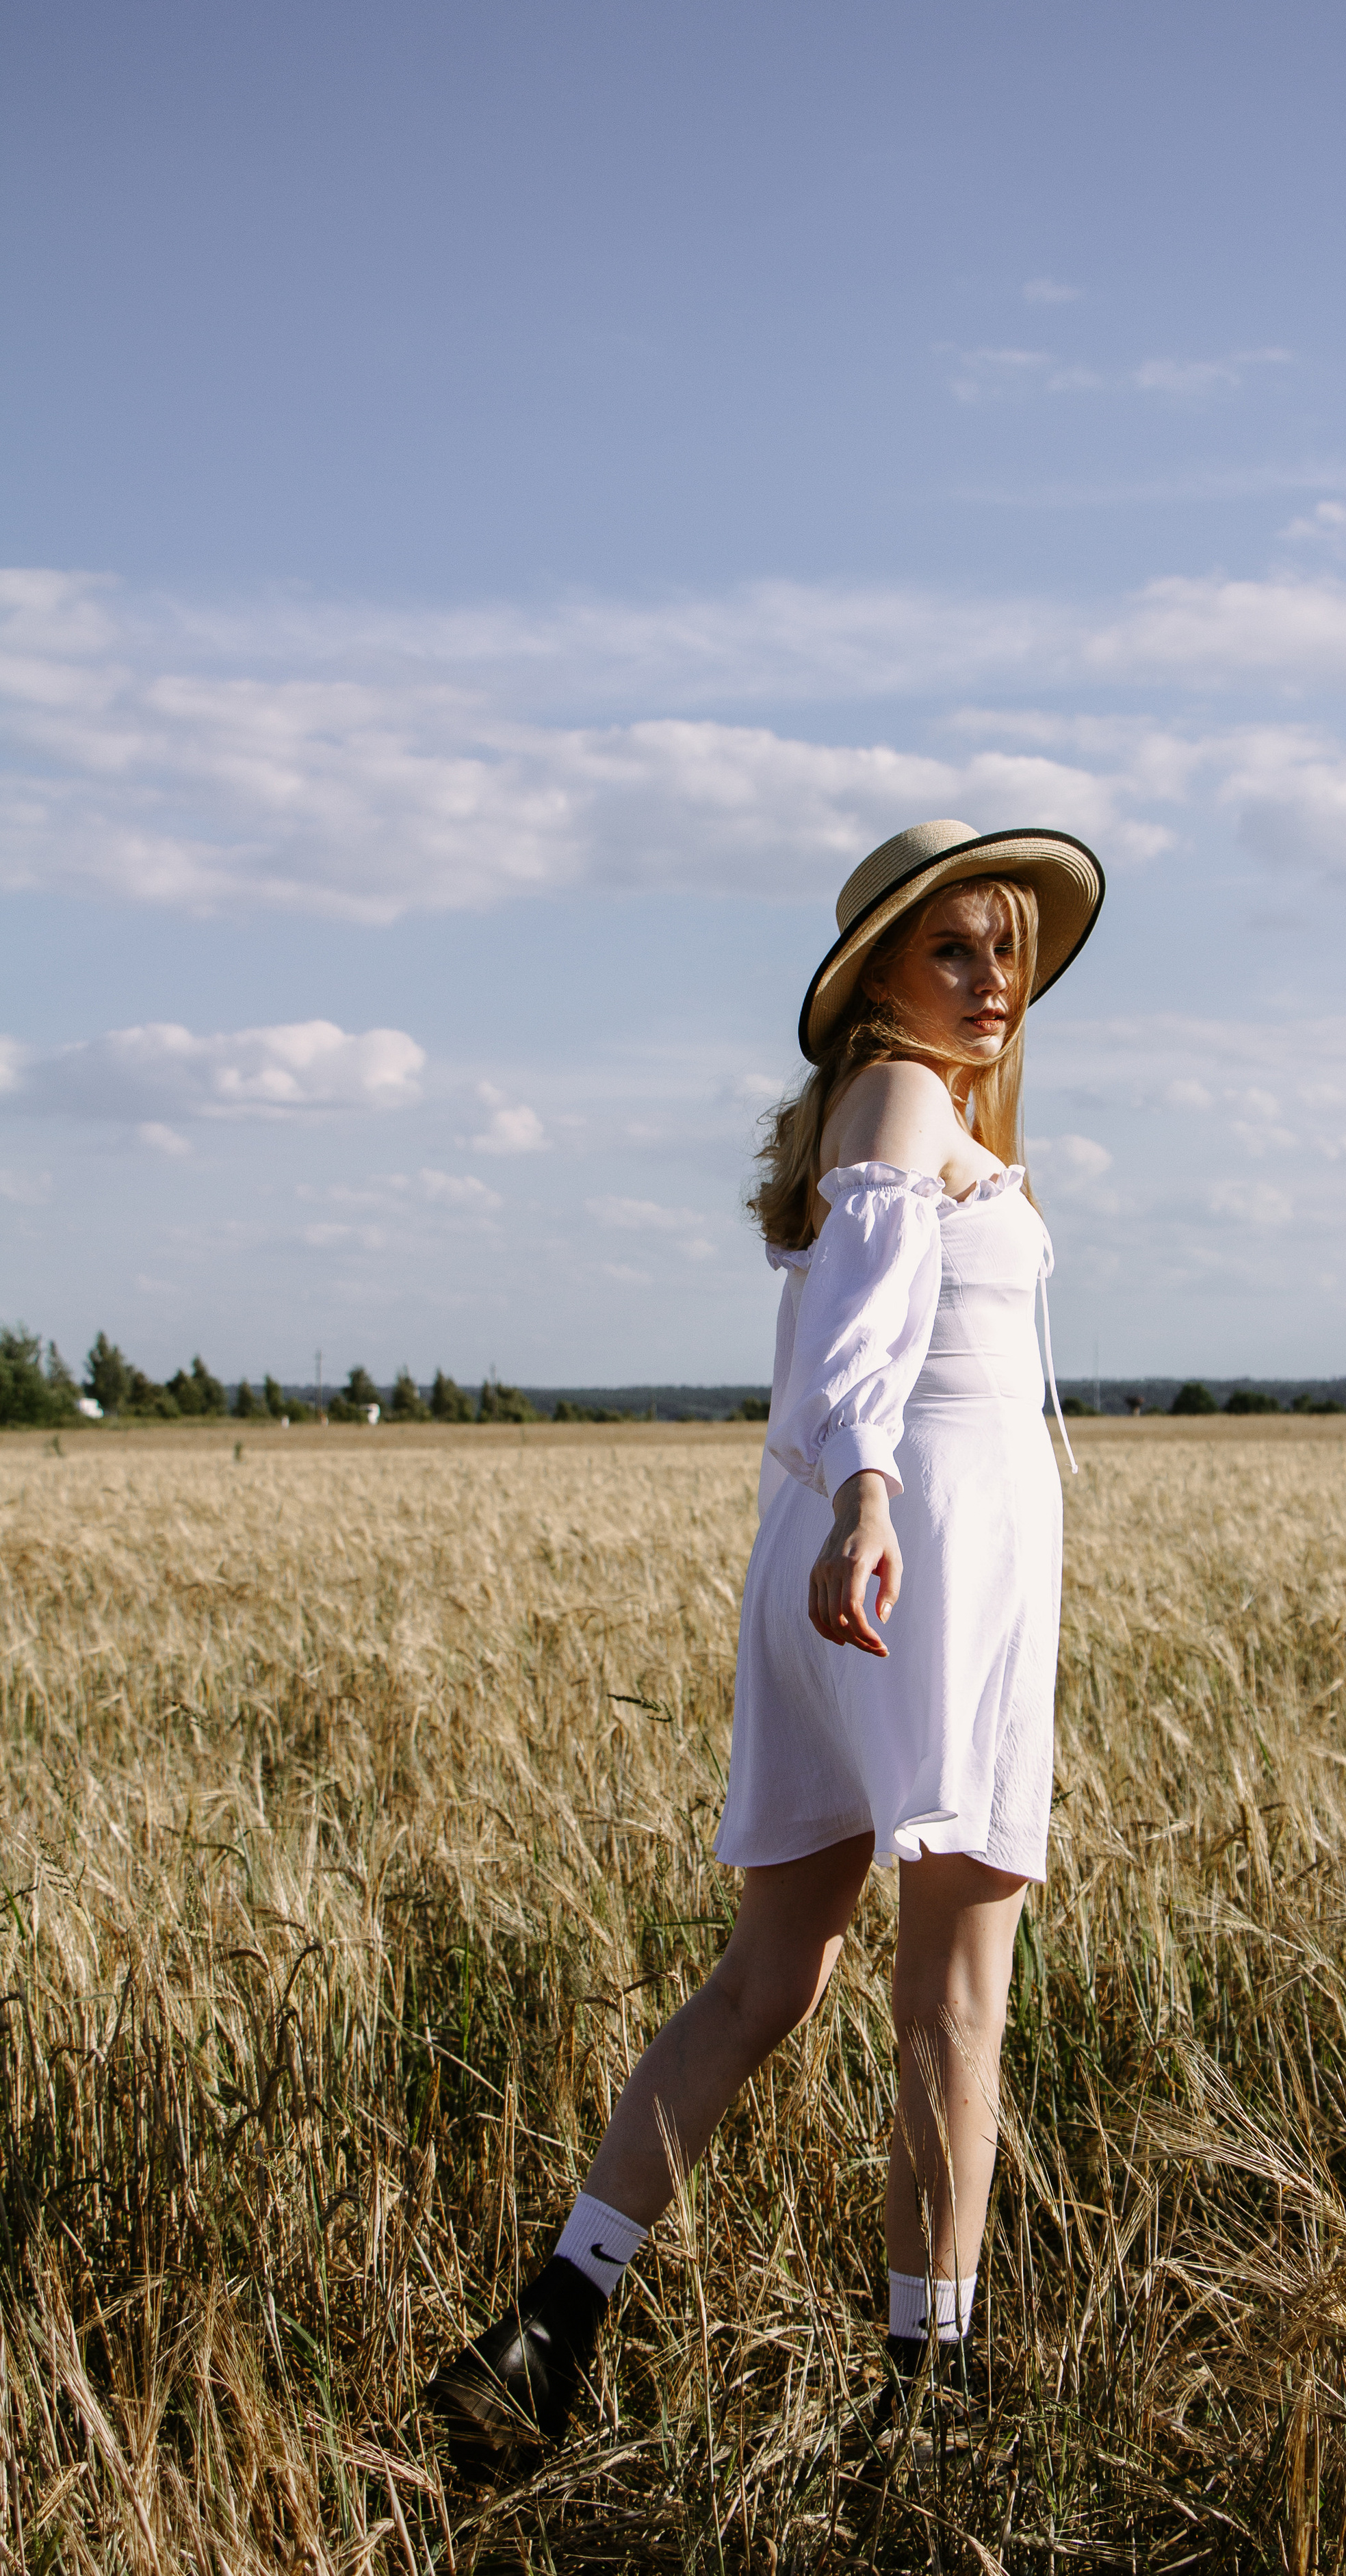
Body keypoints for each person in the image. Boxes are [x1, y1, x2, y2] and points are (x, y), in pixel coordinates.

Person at [429, 818, 1104, 2484]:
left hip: (857, 1551)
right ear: (874, 972)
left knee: (772, 1973)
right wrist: (871, 1500)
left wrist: (846, 1507)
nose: (991, 977)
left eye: (1007, 945)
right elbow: (865, 1331)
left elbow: (835, 1332)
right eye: (953, 945)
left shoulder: (901, 1112)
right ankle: (926, 2423)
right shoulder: (900, 1099)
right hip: (916, 1559)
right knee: (956, 1999)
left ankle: (545, 2335)